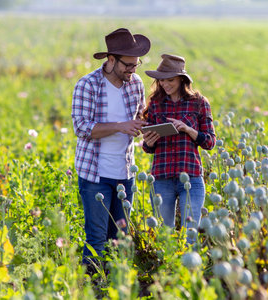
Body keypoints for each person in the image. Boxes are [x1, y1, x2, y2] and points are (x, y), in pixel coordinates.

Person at [71, 28, 150, 266]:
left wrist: (149, 130)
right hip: (95, 174)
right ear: (111, 59)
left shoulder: (136, 83)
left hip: (125, 174)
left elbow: (138, 120)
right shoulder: (88, 85)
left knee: (120, 240)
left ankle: (116, 287)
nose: (132, 70)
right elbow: (82, 128)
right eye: (128, 65)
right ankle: (91, 288)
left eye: (136, 65)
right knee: (96, 240)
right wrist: (120, 126)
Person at [142, 54, 216, 236]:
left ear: (182, 80)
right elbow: (147, 146)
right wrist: (148, 143)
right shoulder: (155, 105)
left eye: (170, 80)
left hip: (191, 178)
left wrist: (188, 130)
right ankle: (168, 266)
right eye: (161, 81)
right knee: (164, 237)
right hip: (162, 178)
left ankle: (190, 265)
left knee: (190, 236)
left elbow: (210, 142)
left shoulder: (199, 103)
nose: (165, 84)